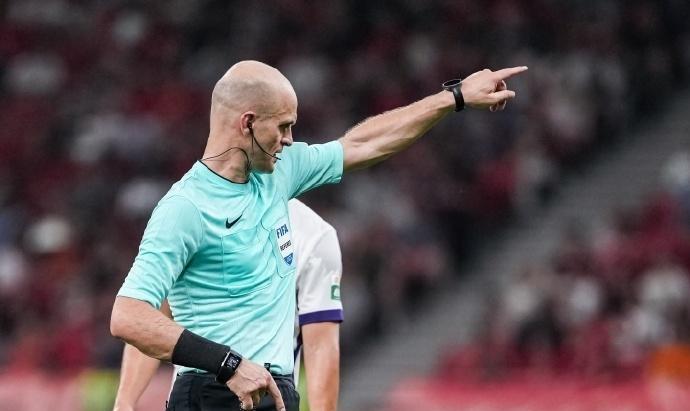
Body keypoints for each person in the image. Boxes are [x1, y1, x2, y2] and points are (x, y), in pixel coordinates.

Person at [110, 60, 527, 411]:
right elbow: (128, 315)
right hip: (214, 392)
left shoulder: (279, 172)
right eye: (283, 127)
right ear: (247, 123)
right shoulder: (185, 208)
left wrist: (453, 98)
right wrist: (227, 364)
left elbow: (364, 143)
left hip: (273, 392)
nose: (289, 139)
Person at [112, 199, 343, 411]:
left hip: (265, 401)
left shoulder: (313, 237)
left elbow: (320, 347)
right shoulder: (194, 212)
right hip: (193, 400)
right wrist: (124, 403)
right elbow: (153, 315)